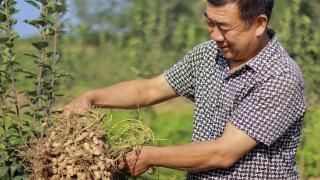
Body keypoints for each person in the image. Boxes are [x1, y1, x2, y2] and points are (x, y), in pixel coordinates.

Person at [63, 0, 306, 179]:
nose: (215, 36)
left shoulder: (279, 76)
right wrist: (91, 97)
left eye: (224, 27)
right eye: (209, 23)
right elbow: (150, 89)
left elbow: (223, 152)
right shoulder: (207, 55)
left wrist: (148, 156)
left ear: (259, 23)